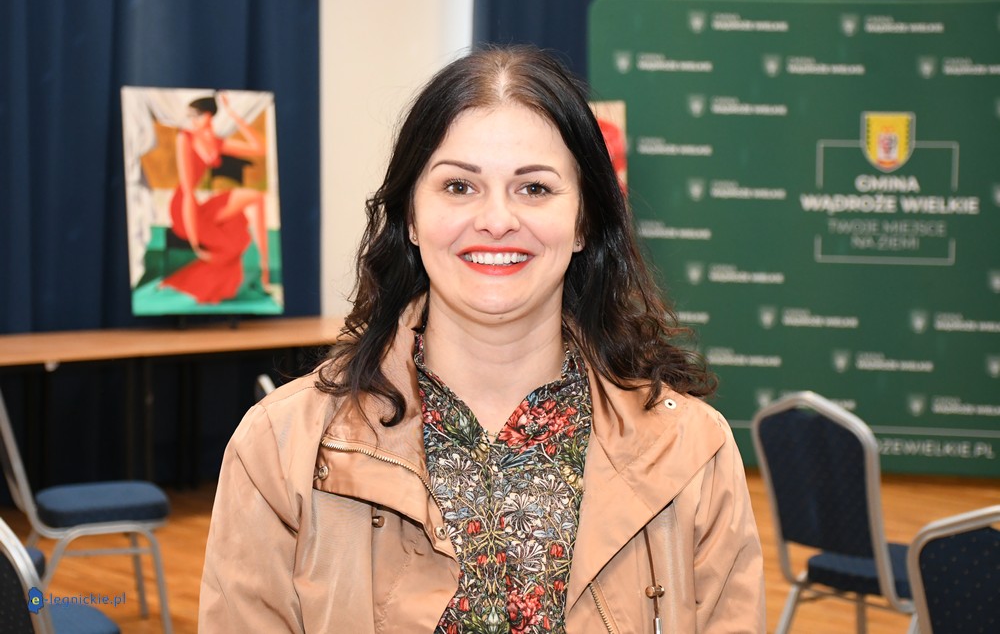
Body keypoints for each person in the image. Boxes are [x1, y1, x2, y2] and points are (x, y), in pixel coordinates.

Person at [200, 45, 764, 633]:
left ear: (584, 222)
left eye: (535, 189)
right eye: (459, 186)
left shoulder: (692, 451)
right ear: (411, 217)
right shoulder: (282, 447)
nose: (496, 220)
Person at [162, 92, 269, 303]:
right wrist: (195, 243)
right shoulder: (186, 137)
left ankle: (264, 267)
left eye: (196, 115)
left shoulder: (217, 142)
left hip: (198, 207)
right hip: (183, 208)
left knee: (257, 198)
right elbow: (188, 192)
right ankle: (199, 283)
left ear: (209, 115)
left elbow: (260, 149)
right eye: (191, 116)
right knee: (229, 243)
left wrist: (232, 113)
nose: (192, 120)